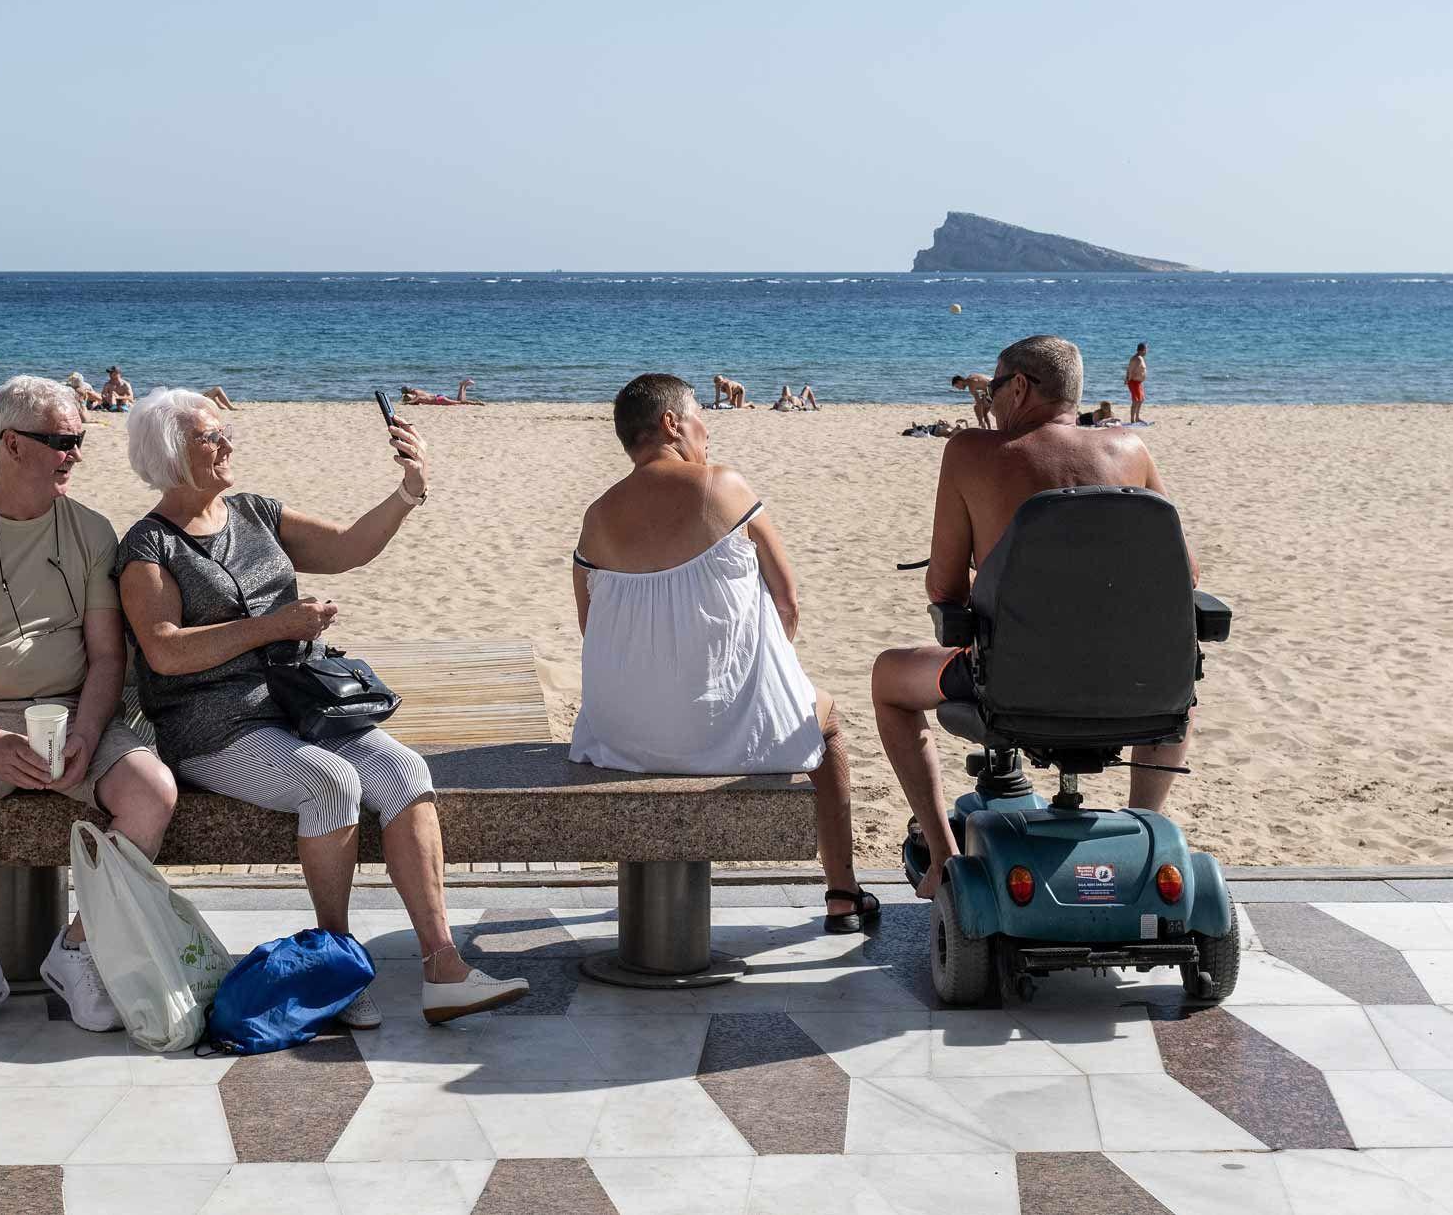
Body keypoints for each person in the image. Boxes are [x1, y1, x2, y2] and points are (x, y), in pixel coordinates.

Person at [114, 387, 528, 1027]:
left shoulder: (254, 512)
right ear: (172, 454)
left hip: (294, 708)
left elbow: (347, 548)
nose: (228, 443)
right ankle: (337, 968)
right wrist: (275, 626)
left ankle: (442, 966)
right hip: (212, 729)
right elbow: (165, 653)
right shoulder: (148, 548)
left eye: (224, 432)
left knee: (406, 772)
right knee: (331, 783)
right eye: (209, 437)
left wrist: (407, 493)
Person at [0, 375, 179, 1043]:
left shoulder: (89, 532)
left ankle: (76, 952)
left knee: (152, 793)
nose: (75, 454)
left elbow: (109, 658)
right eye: (62, 442)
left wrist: (85, 729)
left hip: (78, 713)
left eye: (79, 441)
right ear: (11, 445)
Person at [870, 336, 1195, 897]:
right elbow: (1183, 576)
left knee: (887, 680)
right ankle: (1144, 827)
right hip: (1139, 688)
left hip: (1013, 685)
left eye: (993, 388)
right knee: (1178, 687)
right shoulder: (1131, 450)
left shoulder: (972, 452)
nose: (990, 401)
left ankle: (943, 858)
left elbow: (944, 589)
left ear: (1018, 387)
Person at [570, 374, 875, 932]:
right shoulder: (722, 485)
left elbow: (592, 627)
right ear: (671, 424)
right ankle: (842, 894)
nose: (706, 434)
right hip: (721, 731)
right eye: (699, 420)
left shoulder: (595, 516)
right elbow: (788, 604)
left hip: (619, 737)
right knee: (828, 726)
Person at [1126, 343, 1148, 424]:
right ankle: (1132, 420)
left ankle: (1137, 417)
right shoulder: (1137, 359)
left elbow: (1130, 368)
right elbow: (1130, 369)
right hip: (1134, 382)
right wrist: (1128, 379)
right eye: (1146, 349)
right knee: (1135, 401)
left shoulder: (1140, 358)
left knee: (1141, 399)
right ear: (1143, 350)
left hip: (1138, 382)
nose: (1147, 351)